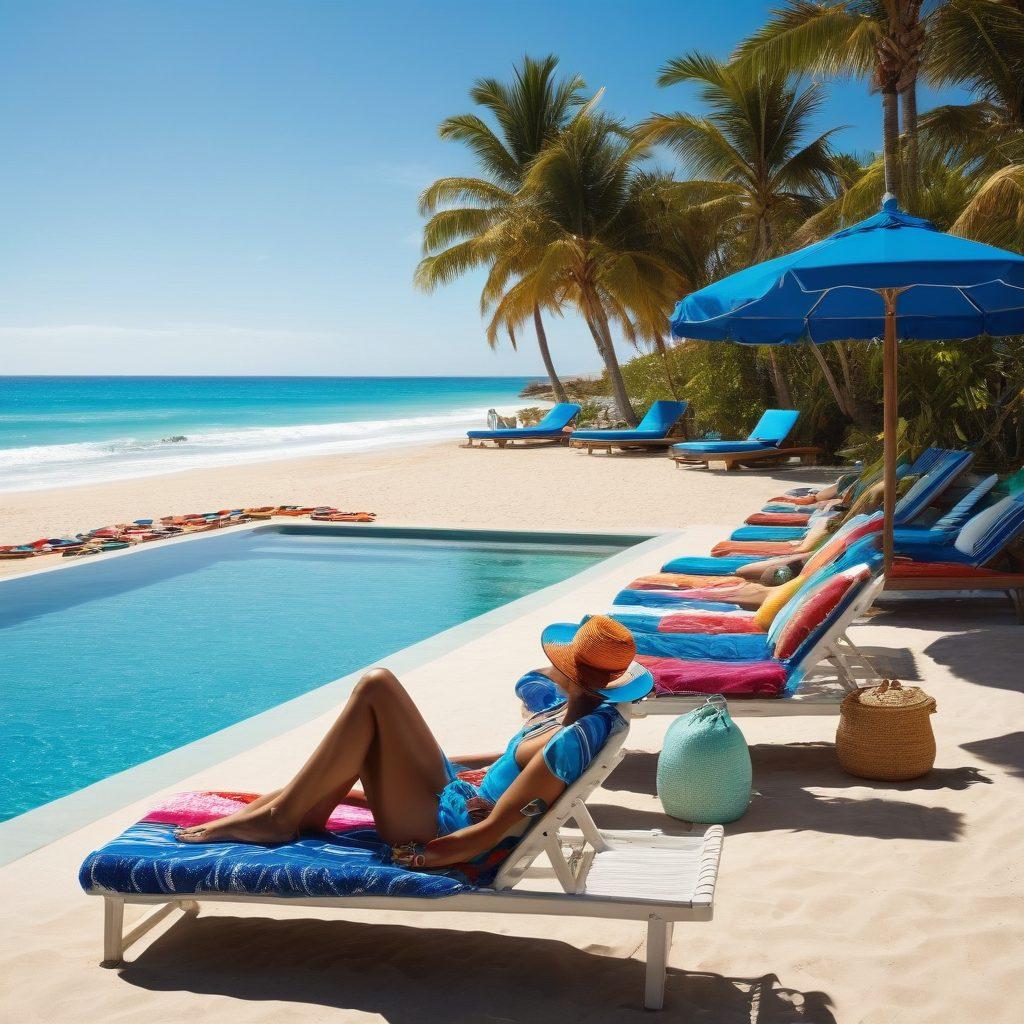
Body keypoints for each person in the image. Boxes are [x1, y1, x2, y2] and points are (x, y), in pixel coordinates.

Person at [176, 615, 652, 871]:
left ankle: (281, 818)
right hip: (453, 791)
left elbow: (498, 830)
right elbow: (509, 757)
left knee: (376, 686)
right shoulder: (568, 715)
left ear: (569, 672)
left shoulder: (567, 743)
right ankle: (292, 813)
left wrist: (427, 856)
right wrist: (430, 756)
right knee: (375, 710)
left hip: (438, 824)